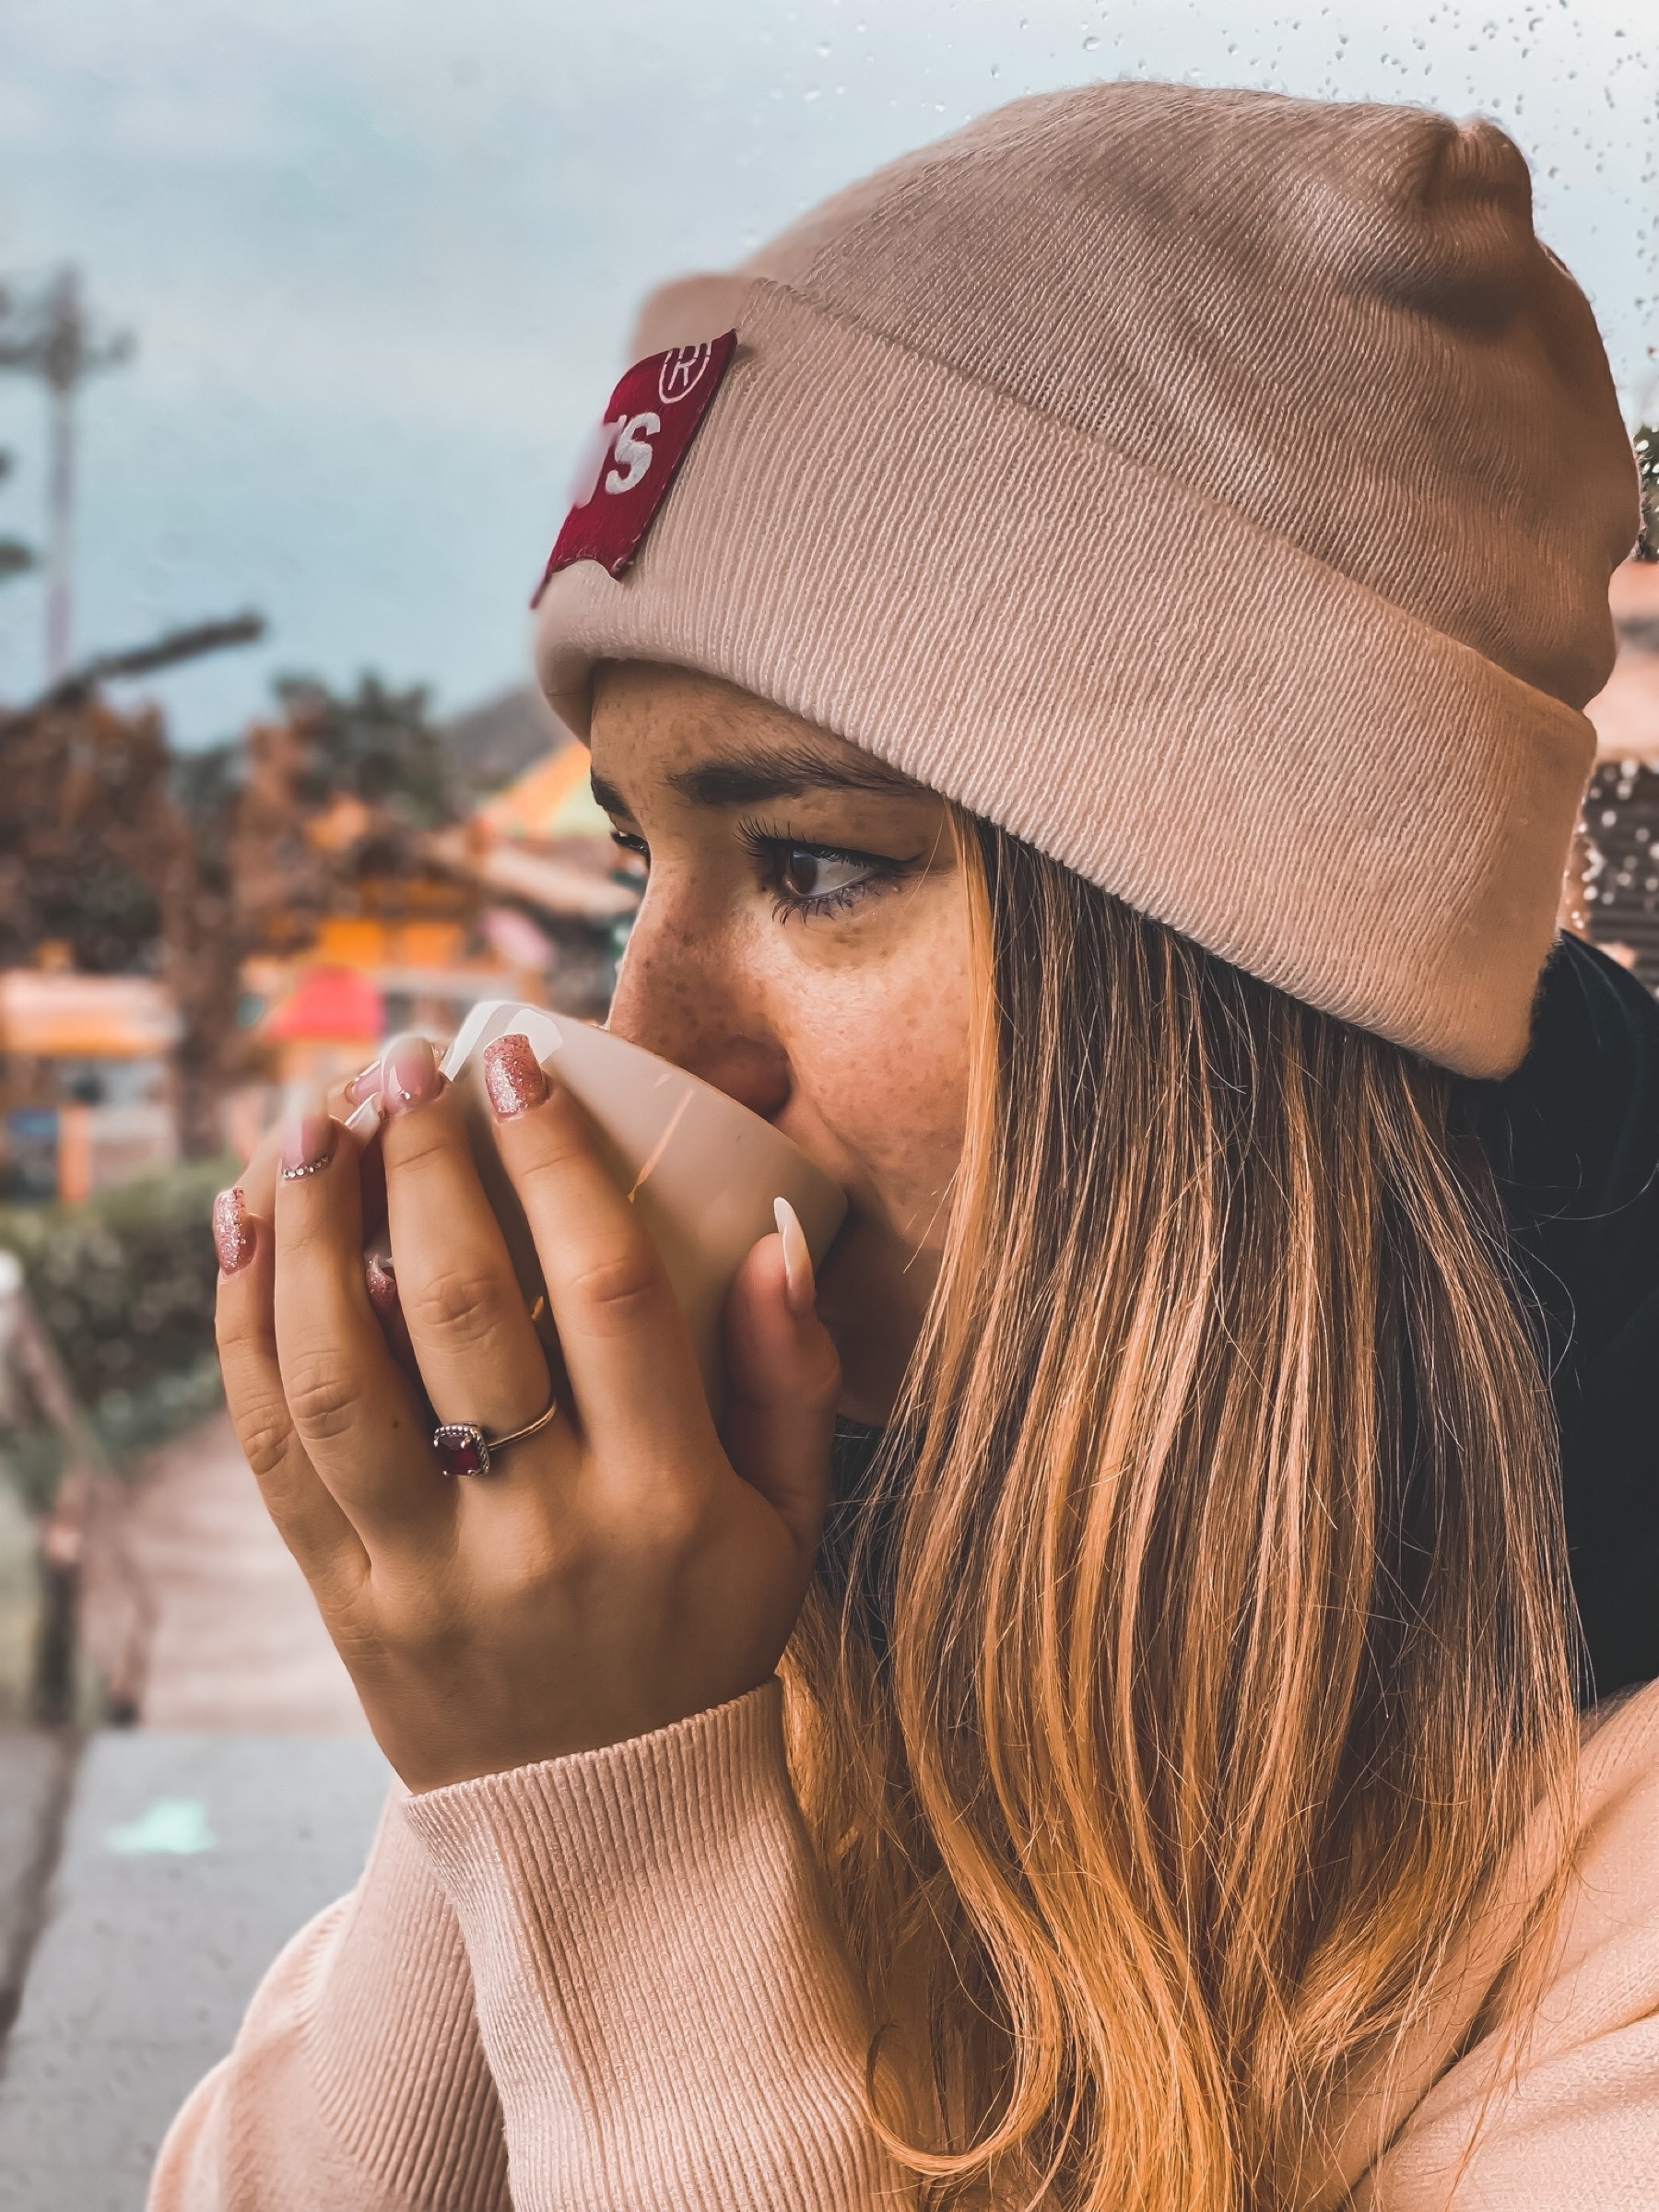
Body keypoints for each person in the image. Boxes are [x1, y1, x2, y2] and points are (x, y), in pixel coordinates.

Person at [156, 82, 1658, 2212]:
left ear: (1247, 978)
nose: (646, 1036)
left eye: (817, 865)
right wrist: (512, 1714)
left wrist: (625, 1835)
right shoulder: (828, 1582)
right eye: (636, 869)